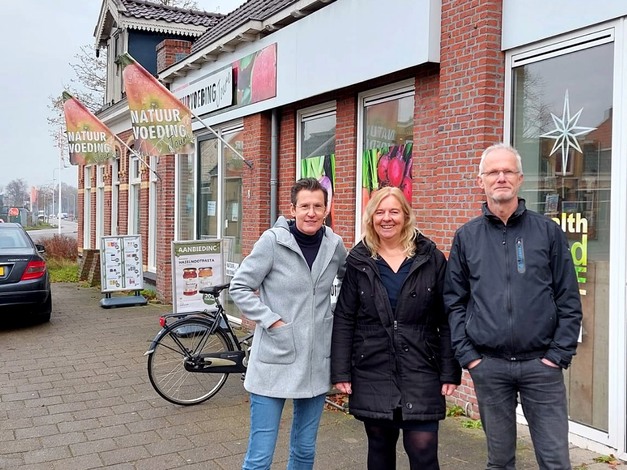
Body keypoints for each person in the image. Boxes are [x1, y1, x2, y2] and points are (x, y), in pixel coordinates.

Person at [444, 143, 583, 469]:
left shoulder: (547, 232)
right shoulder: (467, 237)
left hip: (541, 366)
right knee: (500, 462)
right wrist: (470, 356)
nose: (501, 177)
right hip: (489, 367)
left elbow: (568, 299)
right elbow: (454, 301)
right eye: (493, 172)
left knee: (555, 462)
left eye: (508, 171)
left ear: (520, 179)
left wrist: (557, 355)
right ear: (481, 180)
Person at [331, 186, 461, 470]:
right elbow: (345, 318)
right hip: (372, 366)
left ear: (406, 215)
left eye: (394, 211)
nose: (387, 218)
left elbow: (447, 318)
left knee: (423, 449)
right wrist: (341, 372)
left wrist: (450, 369)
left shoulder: (431, 258)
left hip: (422, 366)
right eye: (380, 212)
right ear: (371, 217)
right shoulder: (359, 260)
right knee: (379, 446)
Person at [229, 177, 347, 470]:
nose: (311, 213)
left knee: (305, 449)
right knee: (260, 456)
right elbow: (240, 287)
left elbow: (352, 281)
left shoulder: (334, 245)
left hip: (314, 363)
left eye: (318, 206)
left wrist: (333, 315)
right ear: (292, 209)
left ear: (326, 209)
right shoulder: (272, 241)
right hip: (275, 358)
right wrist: (272, 321)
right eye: (304, 206)